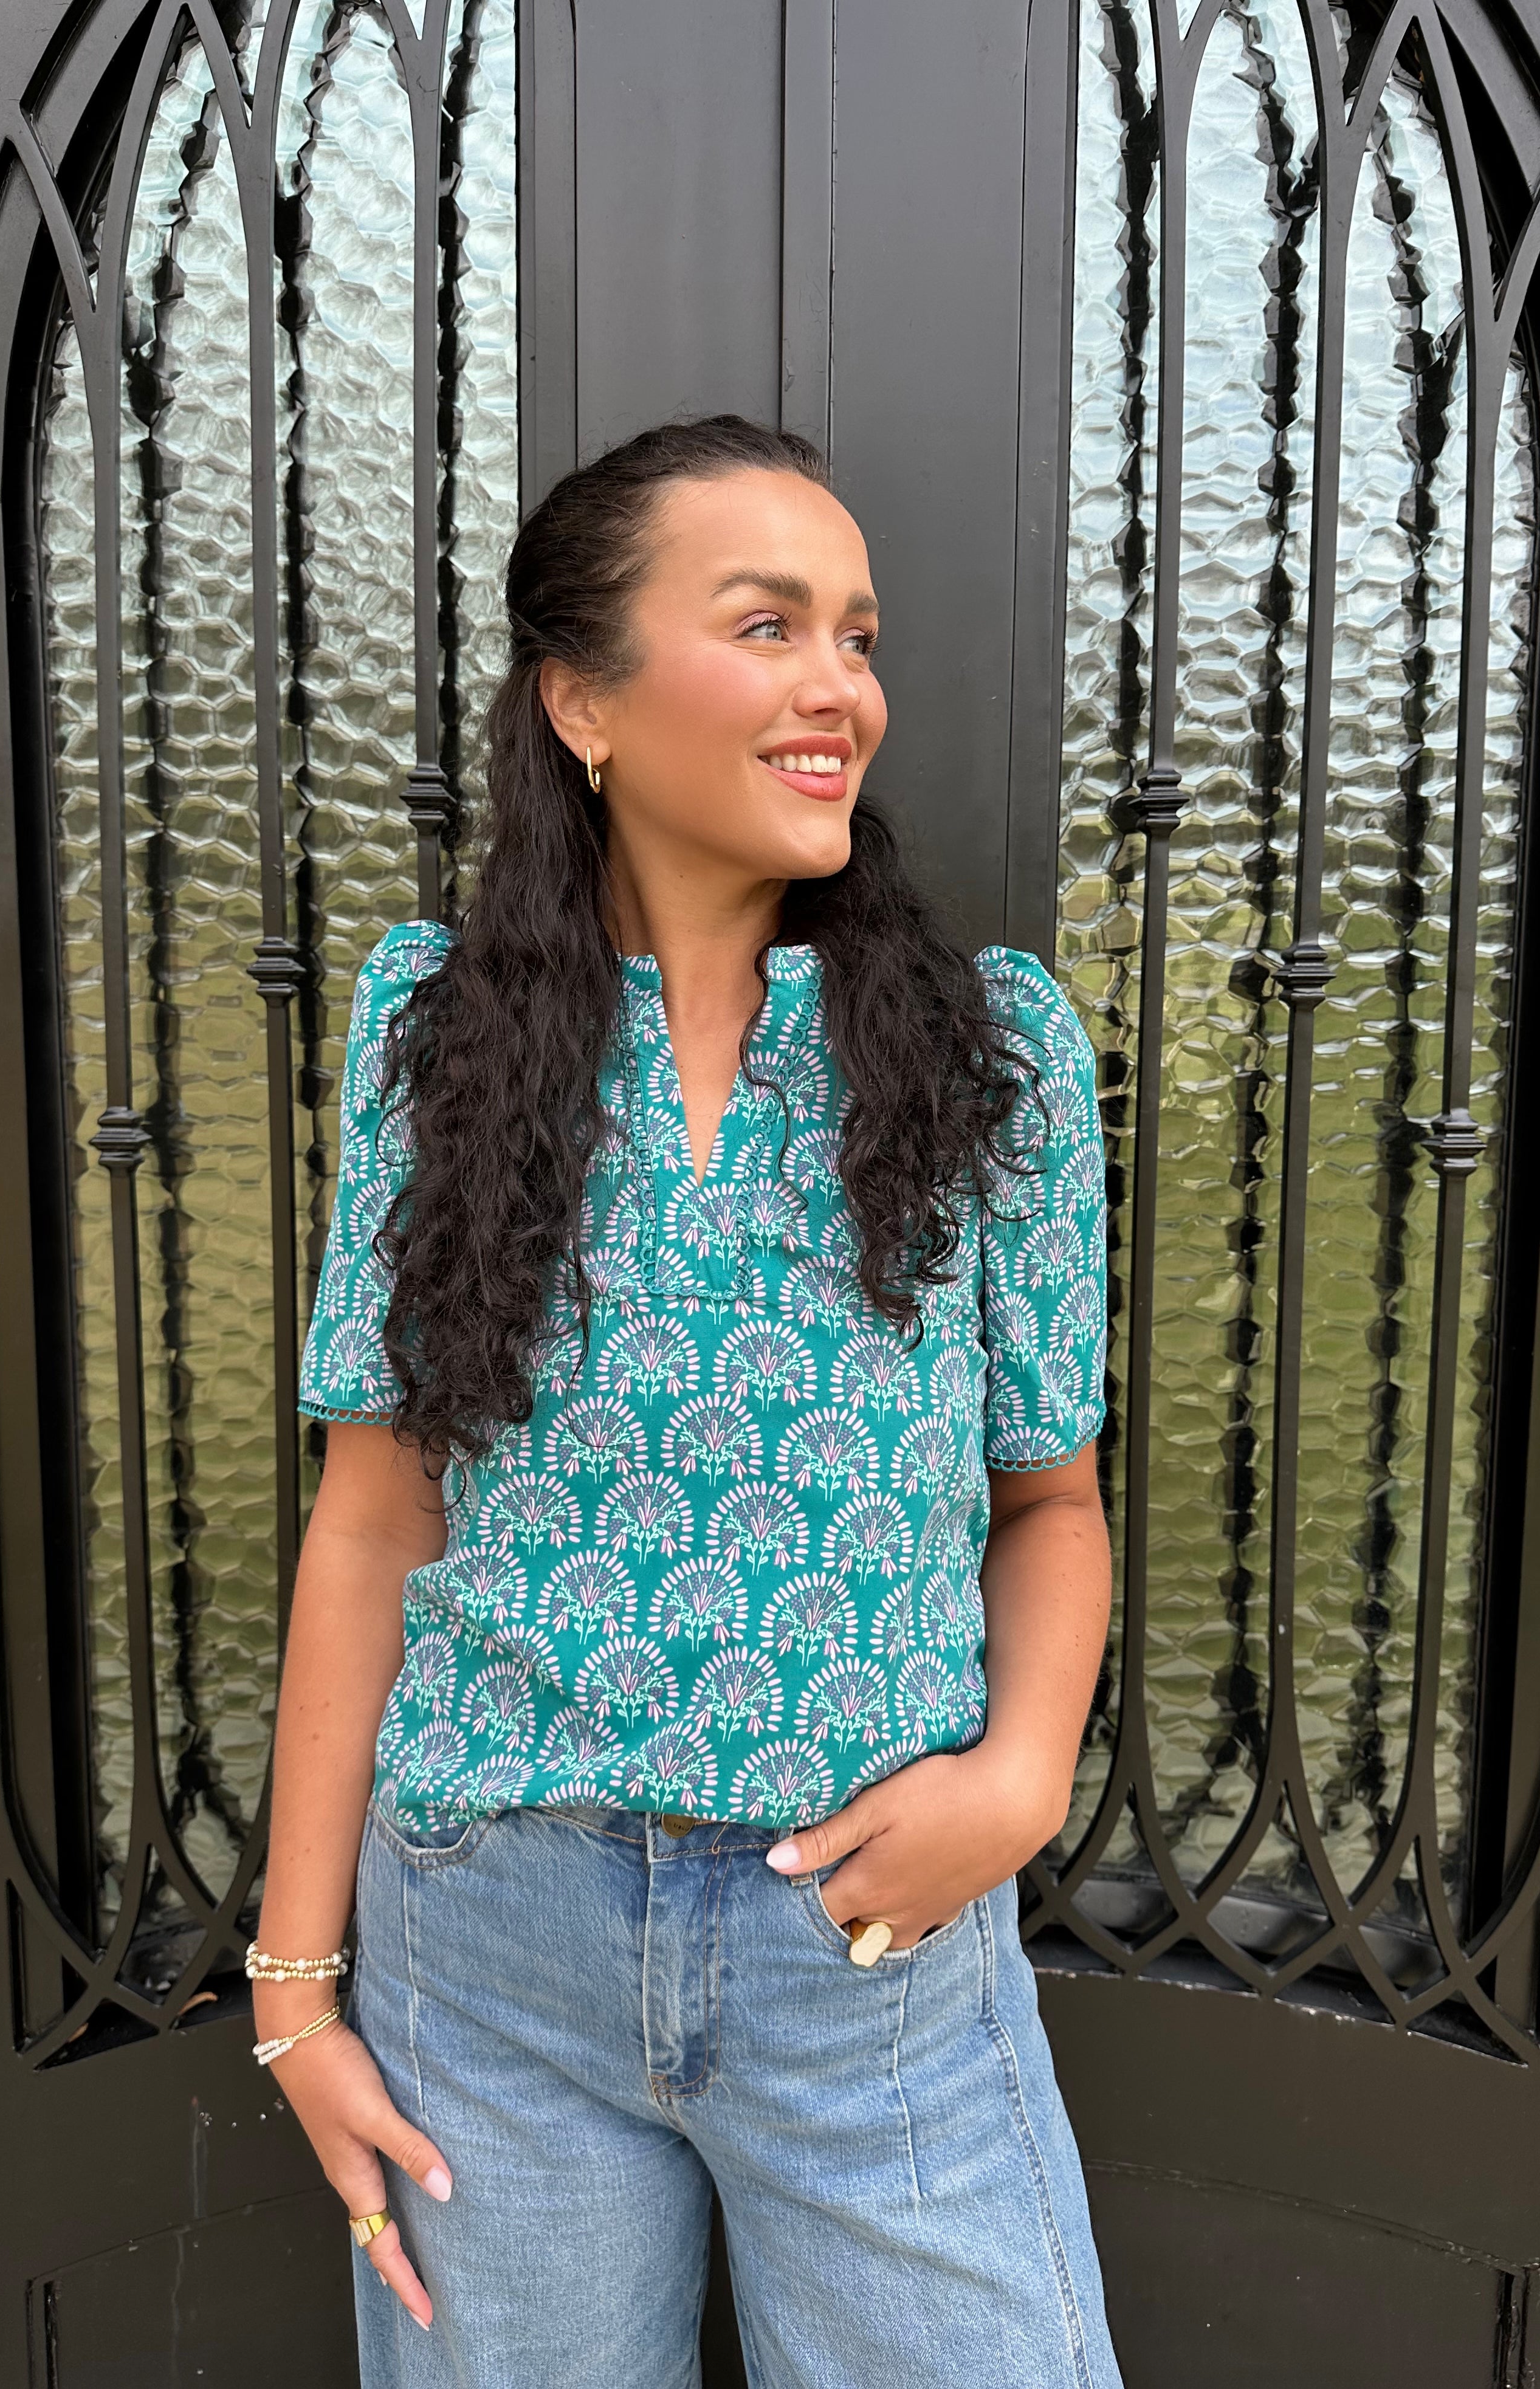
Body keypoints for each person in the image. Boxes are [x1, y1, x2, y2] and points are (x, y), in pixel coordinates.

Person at [249, 414, 1122, 2388]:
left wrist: (1020, 1781)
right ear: (582, 700)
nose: (842, 687)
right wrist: (299, 1992)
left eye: (862, 636)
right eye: (771, 624)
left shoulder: (990, 1056)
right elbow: (375, 1517)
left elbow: (1050, 1501)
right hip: (492, 1953)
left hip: (872, 1951)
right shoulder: (433, 1039)